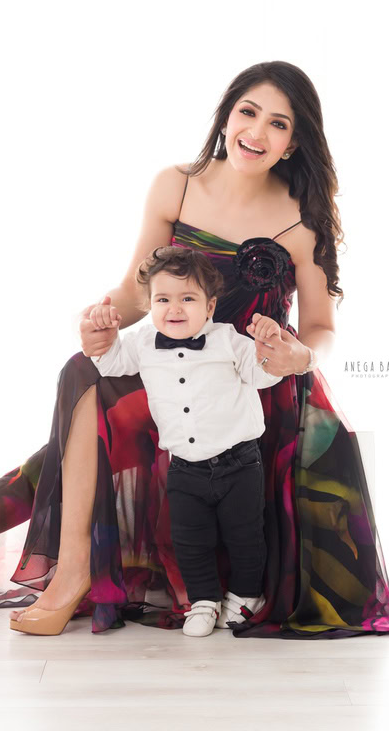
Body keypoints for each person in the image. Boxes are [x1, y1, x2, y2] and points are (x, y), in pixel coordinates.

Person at [0, 60, 389, 639]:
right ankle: (57, 571)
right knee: (81, 376)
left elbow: (321, 327)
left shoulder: (303, 215)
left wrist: (300, 357)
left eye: (278, 123)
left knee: (68, 451)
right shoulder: (175, 186)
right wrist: (100, 319)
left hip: (253, 387)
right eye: (248, 112)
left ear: (295, 141)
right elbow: (135, 291)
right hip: (172, 364)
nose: (257, 132)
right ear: (226, 115)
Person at [75, 245, 285, 637]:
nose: (175, 308)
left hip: (240, 461)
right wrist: (100, 334)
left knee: (245, 535)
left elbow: (263, 376)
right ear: (150, 304)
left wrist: (268, 345)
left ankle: (244, 596)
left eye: (188, 298)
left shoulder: (228, 340)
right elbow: (112, 362)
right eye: (163, 299)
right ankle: (203, 599)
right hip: (185, 467)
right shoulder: (140, 342)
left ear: (209, 307)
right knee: (189, 540)